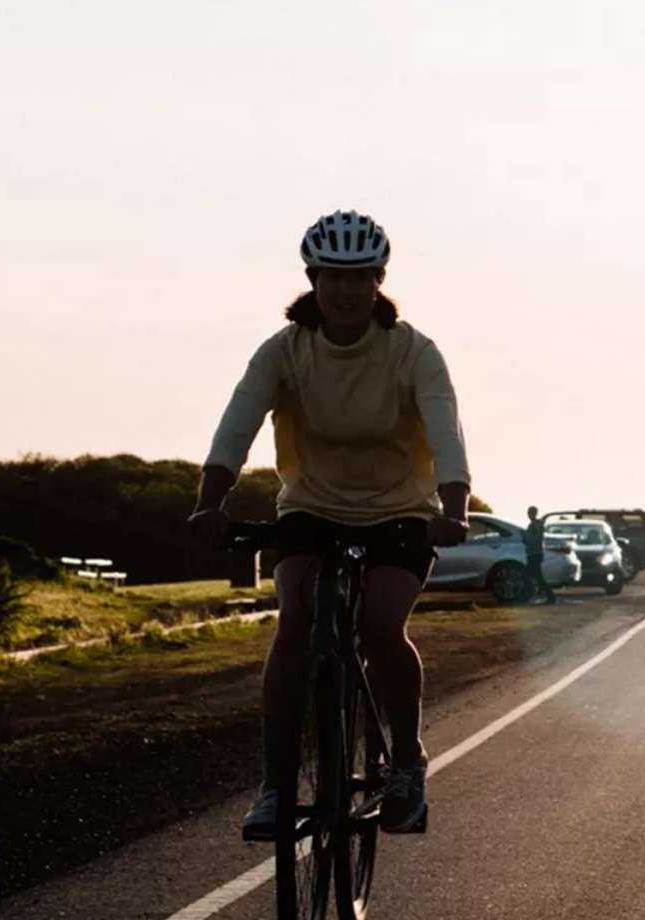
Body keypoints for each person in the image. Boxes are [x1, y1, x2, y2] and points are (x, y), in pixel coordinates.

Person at [189, 210, 471, 839]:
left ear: (379, 281)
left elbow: (446, 433)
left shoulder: (413, 352)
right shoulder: (284, 351)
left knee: (381, 627)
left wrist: (453, 511)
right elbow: (236, 425)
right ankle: (274, 785)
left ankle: (406, 762)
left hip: (400, 510)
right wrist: (209, 502)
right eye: (332, 277)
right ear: (312, 280)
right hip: (311, 505)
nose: (345, 290)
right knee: (295, 624)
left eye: (359, 277)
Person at [524, 506, 555, 604]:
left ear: (534, 513)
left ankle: (550, 596)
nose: (528, 514)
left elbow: (536, 539)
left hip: (534, 554)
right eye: (528, 512)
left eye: (530, 512)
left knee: (533, 576)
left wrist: (525, 539)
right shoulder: (534, 524)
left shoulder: (535, 525)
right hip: (534, 553)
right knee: (535, 576)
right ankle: (547, 595)